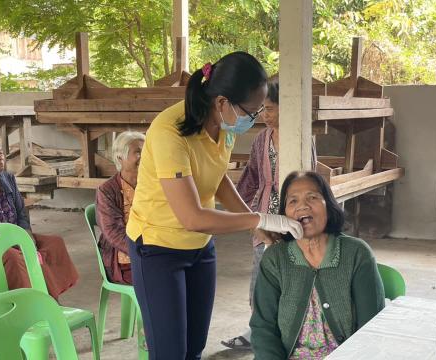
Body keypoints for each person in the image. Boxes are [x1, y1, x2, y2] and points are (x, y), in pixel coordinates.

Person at [125, 52, 303, 360]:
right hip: (158, 247)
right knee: (169, 352)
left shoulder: (223, 125)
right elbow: (192, 217)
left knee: (194, 346)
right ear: (222, 102)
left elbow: (217, 178)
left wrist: (255, 221)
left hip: (200, 247)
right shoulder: (170, 132)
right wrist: (257, 219)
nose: (256, 117)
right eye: (251, 110)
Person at [222, 77, 317, 350]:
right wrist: (241, 210)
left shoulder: (300, 138)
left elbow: (310, 178)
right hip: (265, 217)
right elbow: (251, 177)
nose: (264, 115)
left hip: (294, 220)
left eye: (271, 109)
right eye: (262, 109)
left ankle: (291, 333)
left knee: (294, 278)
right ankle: (257, 332)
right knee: (261, 276)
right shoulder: (261, 140)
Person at [250, 171, 385, 359]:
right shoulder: (275, 259)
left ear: (328, 206)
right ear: (285, 215)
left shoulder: (356, 254)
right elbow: (262, 328)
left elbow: (371, 328)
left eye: (312, 197)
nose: (302, 206)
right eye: (293, 201)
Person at [0, 135, 78, 300]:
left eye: (1, 153)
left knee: (54, 244)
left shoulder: (8, 178)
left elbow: (21, 212)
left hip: (16, 237)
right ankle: (30, 302)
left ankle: (49, 296)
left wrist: (26, 234)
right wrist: (13, 242)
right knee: (15, 257)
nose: (1, 157)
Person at [96, 131, 145, 284]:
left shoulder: (152, 184)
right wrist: (145, 252)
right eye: (138, 152)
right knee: (163, 277)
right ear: (120, 158)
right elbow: (113, 233)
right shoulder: (107, 190)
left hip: (153, 249)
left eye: (146, 151)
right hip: (126, 258)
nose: (144, 156)